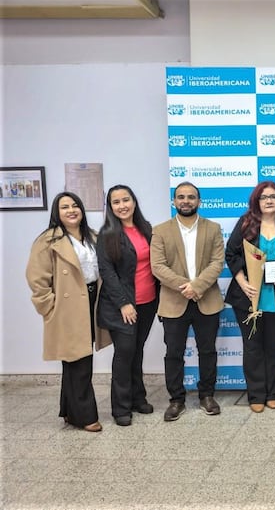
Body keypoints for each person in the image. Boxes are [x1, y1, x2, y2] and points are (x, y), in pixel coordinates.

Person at [25, 192, 110, 432]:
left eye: (75, 205)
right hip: (67, 305)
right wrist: (49, 307)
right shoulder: (47, 241)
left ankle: (69, 412)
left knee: (76, 360)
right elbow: (36, 278)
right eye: (64, 207)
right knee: (79, 361)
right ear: (57, 212)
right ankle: (85, 416)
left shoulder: (92, 236)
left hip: (92, 301)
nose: (71, 210)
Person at [150, 182, 224, 421]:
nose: (186, 201)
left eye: (191, 197)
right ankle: (176, 399)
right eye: (180, 197)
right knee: (174, 353)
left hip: (207, 299)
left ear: (199, 201)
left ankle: (207, 396)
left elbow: (217, 263)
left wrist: (197, 286)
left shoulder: (213, 228)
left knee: (208, 351)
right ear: (174, 202)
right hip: (174, 301)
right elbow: (157, 266)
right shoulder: (160, 230)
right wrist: (186, 287)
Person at [225, 181, 275, 413]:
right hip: (248, 297)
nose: (269, 200)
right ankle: (256, 394)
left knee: (273, 346)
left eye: (274, 196)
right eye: (264, 197)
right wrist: (243, 282)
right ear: (256, 201)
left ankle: (273, 392)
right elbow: (231, 253)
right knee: (253, 347)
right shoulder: (246, 224)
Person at [96, 185, 158, 426]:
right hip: (121, 307)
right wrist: (123, 303)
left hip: (148, 302)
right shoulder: (107, 233)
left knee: (137, 351)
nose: (122, 205)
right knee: (124, 354)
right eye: (116, 202)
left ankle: (137, 398)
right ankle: (120, 407)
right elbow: (107, 272)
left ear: (134, 201)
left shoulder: (147, 229)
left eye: (126, 200)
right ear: (110, 207)